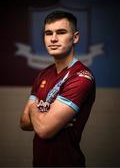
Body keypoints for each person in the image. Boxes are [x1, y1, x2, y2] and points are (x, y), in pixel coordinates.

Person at [20, 10, 96, 167]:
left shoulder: (81, 77)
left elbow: (44, 130)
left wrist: (35, 108)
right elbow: (24, 123)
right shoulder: (43, 74)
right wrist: (45, 114)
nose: (53, 39)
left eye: (61, 32)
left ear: (75, 37)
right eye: (48, 33)